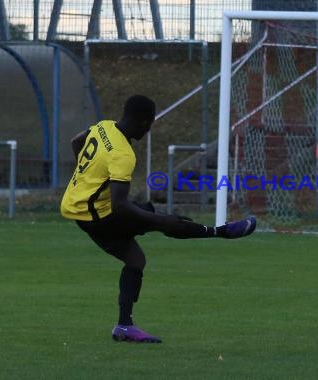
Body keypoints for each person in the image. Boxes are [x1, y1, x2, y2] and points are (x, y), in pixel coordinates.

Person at [60, 95, 256, 343]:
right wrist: (158, 221)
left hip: (79, 208)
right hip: (98, 215)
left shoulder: (103, 126)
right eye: (150, 123)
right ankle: (220, 232)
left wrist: (88, 177)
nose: (150, 129)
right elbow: (120, 206)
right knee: (162, 221)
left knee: (136, 258)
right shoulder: (123, 154)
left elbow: (76, 141)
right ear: (143, 122)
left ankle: (124, 326)